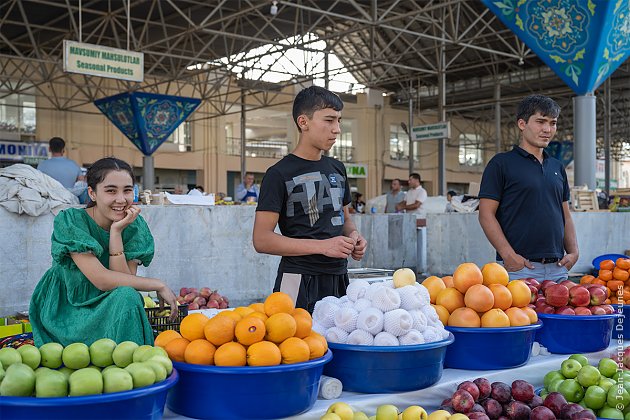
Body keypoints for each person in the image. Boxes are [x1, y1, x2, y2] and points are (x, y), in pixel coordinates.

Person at [29, 157, 179, 346]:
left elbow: (124, 283)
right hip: (68, 308)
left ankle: (130, 368)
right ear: (92, 193)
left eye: (127, 190)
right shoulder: (71, 222)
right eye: (110, 191)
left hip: (108, 303)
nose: (121, 199)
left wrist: (116, 233)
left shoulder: (133, 226)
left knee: (128, 296)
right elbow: (102, 280)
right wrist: (157, 284)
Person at [252, 86, 367, 312]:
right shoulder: (278, 174)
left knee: (336, 343)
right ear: (303, 122)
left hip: (339, 278)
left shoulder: (338, 168)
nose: (337, 129)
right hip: (297, 280)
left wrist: (354, 236)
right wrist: (323, 246)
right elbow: (261, 240)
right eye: (329, 120)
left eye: (339, 121)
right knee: (296, 345)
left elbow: (345, 219)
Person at [478, 94, 578, 282]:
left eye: (553, 123)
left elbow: (565, 215)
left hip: (558, 268)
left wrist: (574, 252)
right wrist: (508, 254)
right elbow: (485, 214)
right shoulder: (501, 164)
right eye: (540, 121)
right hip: (519, 268)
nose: (547, 129)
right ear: (522, 124)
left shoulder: (557, 167)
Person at [37, 137, 87, 202]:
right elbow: (82, 183)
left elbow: (37, 185)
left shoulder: (41, 165)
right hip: (69, 204)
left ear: (49, 149)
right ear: (63, 149)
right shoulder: (74, 164)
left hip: (48, 204)